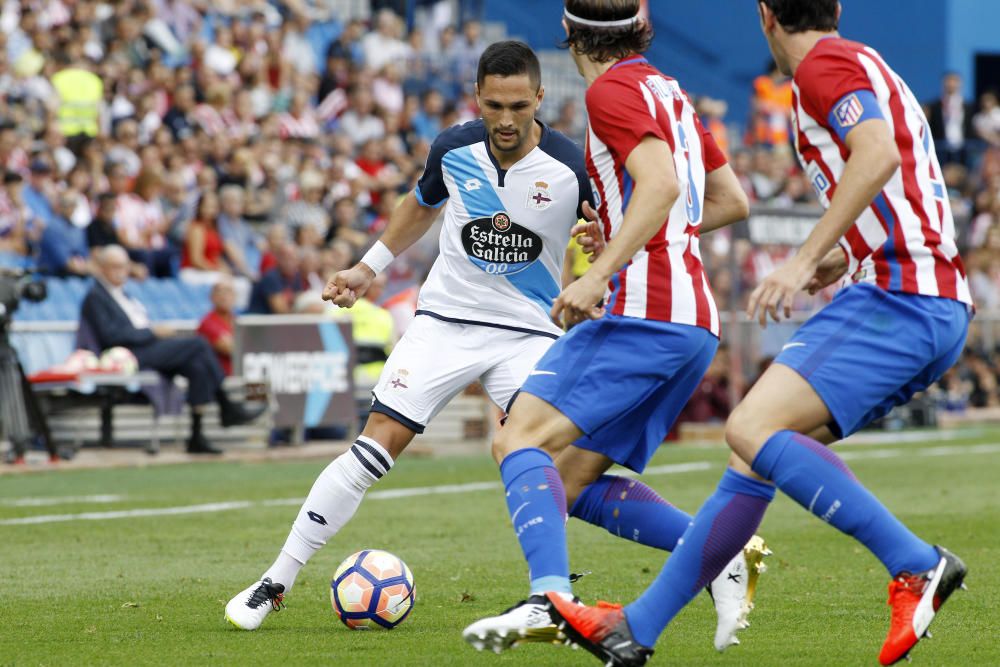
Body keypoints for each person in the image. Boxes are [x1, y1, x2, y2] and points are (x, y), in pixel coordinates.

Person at [224, 41, 752, 643]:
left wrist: (602, 254)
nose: (506, 119)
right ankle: (277, 579)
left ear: (540, 99)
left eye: (519, 106)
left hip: (528, 331)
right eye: (495, 105)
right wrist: (368, 267)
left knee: (557, 469)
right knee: (376, 446)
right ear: (478, 98)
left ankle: (664, 562)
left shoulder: (573, 164)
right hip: (444, 322)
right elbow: (420, 205)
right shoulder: (454, 147)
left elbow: (634, 220)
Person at [548, 3, 972, 666]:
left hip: (902, 298)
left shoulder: (825, 65)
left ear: (766, 15)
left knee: (749, 427)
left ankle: (916, 564)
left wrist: (804, 258)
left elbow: (879, 155)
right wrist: (842, 255)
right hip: (924, 295)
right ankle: (635, 627)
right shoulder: (866, 64)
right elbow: (901, 184)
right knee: (752, 458)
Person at [462, 3, 757, 656]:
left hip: (646, 310)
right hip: (690, 321)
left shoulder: (610, 88)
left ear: (568, 32)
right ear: (641, 25)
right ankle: (718, 550)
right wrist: (626, 227)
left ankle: (547, 598)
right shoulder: (668, 89)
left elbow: (657, 184)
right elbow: (731, 199)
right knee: (564, 479)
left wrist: (601, 270)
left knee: (517, 439)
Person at [81, 246, 265, 454]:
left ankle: (197, 436)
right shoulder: (96, 296)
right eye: (115, 267)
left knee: (197, 365)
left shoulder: (126, 295)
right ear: (102, 268)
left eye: (124, 266)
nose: (121, 272)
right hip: (128, 355)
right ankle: (227, 406)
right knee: (199, 344)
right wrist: (152, 333)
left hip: (148, 348)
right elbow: (111, 335)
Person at [197, 278, 237, 376]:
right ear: (212, 297)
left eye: (228, 292)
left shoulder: (237, 320)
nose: (224, 296)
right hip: (220, 380)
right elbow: (229, 348)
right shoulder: (207, 322)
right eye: (219, 292)